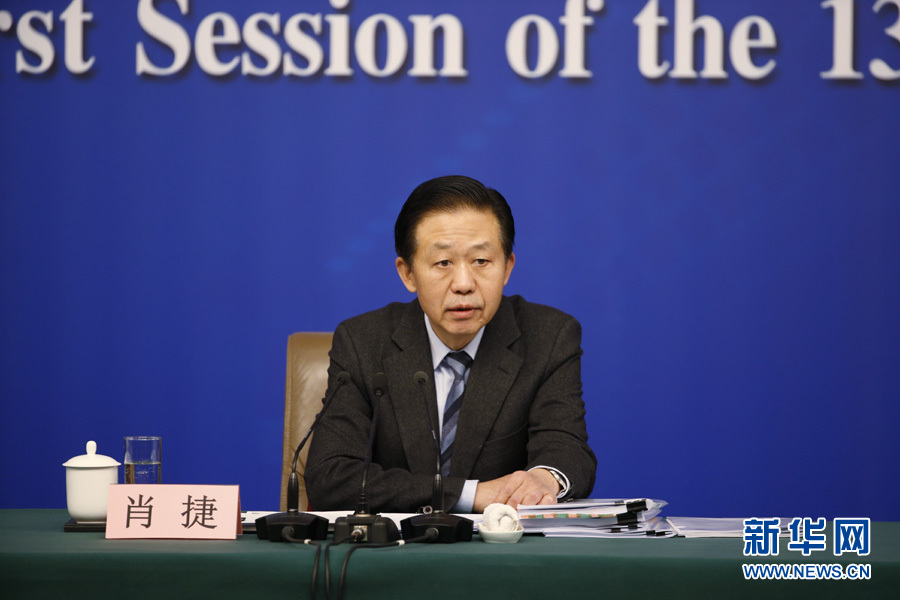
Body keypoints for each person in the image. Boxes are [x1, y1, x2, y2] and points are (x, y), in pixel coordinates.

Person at [305, 175, 596, 513]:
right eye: (443, 263)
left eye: (481, 261)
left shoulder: (548, 336)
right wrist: (471, 494)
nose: (463, 284)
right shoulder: (363, 342)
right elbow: (330, 477)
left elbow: (568, 450)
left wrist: (545, 478)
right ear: (408, 273)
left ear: (507, 268)